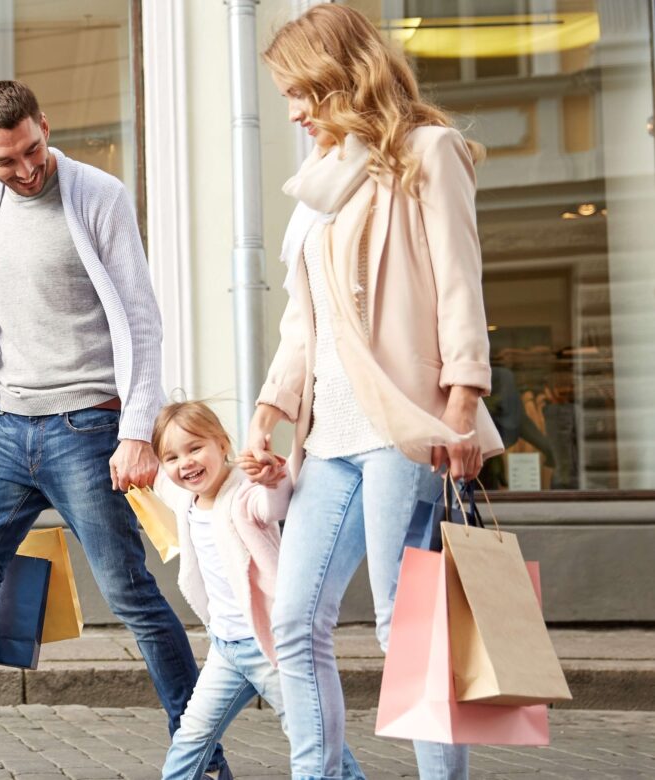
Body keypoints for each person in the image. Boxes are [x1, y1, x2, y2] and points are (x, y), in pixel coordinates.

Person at [0, 80, 230, 780]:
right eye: (5, 162)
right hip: (10, 429)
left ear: (44, 127)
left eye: (33, 151)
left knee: (131, 595)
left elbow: (141, 317)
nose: (25, 171)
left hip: (87, 426)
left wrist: (137, 429)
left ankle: (200, 759)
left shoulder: (97, 193)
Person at [245, 6, 504, 779]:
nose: (292, 110)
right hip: (327, 440)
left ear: (340, 79)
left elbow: (461, 289)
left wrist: (459, 410)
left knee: (408, 624)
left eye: (301, 91)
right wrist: (269, 409)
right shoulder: (320, 187)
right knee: (292, 620)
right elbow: (306, 317)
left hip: (405, 428)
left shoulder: (430, 152)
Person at [152, 401, 364, 780]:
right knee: (191, 736)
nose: (185, 463)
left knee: (311, 735)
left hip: (268, 646)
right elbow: (151, 475)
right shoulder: (185, 498)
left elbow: (274, 503)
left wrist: (271, 477)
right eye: (172, 457)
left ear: (222, 443)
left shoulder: (243, 492)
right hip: (226, 648)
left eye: (195, 448)